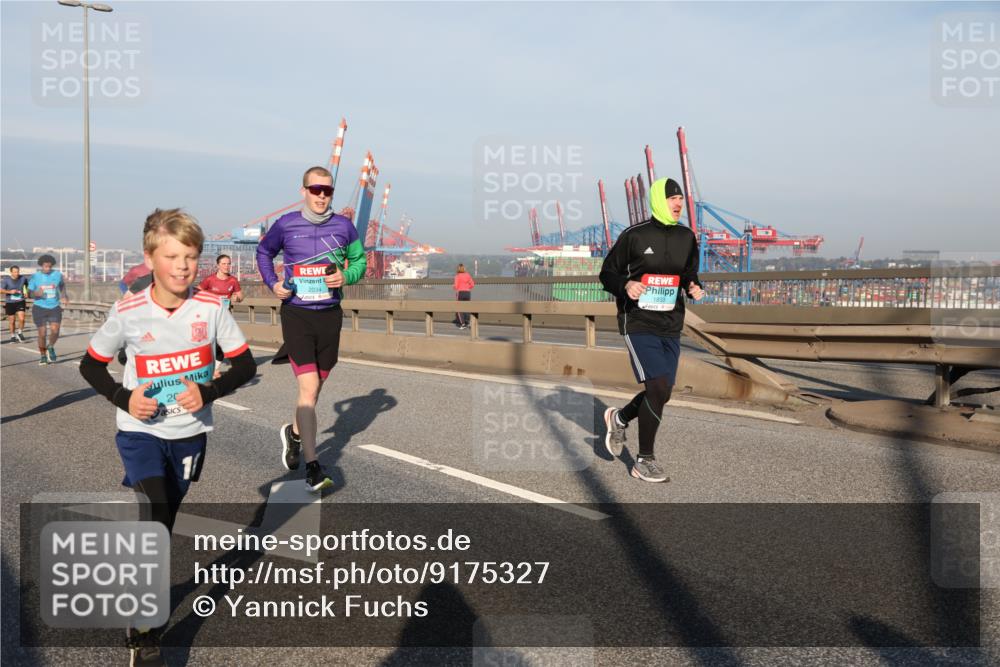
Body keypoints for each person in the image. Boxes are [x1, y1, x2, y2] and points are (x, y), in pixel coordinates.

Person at [79, 208, 256, 664]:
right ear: (150, 258)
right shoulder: (129, 311)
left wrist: (211, 390)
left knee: (165, 521)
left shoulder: (212, 309)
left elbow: (246, 365)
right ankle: (145, 628)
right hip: (140, 432)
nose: (183, 266)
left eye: (191, 257)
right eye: (173, 256)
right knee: (155, 512)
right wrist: (124, 399)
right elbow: (90, 365)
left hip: (189, 435)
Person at [257, 166, 366, 492]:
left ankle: (293, 432)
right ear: (304, 190)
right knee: (307, 389)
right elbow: (264, 252)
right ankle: (313, 467)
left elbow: (359, 261)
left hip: (330, 316)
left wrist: (346, 277)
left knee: (315, 390)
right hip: (298, 315)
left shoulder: (344, 226)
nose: (321, 195)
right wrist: (273, 283)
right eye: (315, 189)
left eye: (327, 190)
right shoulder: (286, 224)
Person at [598, 177, 705, 483]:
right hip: (638, 321)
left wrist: (694, 286)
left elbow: (689, 273)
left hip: (671, 323)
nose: (678, 204)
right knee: (657, 386)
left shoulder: (687, 237)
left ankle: (618, 418)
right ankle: (644, 460)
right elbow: (606, 274)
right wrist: (626, 284)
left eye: (681, 200)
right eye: (673, 199)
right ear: (658, 199)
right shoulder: (634, 235)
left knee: (662, 393)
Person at [27, 254, 68, 365]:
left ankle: (50, 347)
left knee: (55, 330)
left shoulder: (57, 275)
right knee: (42, 333)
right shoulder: (35, 276)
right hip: (39, 307)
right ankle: (43, 356)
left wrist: (64, 296)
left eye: (49, 266)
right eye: (45, 266)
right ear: (41, 265)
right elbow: (28, 293)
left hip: (54, 307)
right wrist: (36, 293)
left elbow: (62, 286)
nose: (48, 269)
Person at [2, 265, 29, 343]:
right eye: (15, 272)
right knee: (12, 321)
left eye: (17, 272)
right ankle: (13, 336)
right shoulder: (6, 280)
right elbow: (1, 290)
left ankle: (20, 332)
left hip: (20, 300)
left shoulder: (23, 278)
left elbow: (26, 285)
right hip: (10, 302)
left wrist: (26, 292)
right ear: (11, 272)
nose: (16, 273)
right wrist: (10, 292)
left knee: (22, 318)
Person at [453, 263, 475, 329]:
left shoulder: (457, 276)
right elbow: (472, 284)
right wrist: (467, 287)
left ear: (458, 269)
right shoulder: (468, 275)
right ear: (464, 268)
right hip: (467, 293)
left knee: (459, 308)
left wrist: (454, 287)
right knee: (467, 308)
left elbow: (456, 286)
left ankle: (462, 324)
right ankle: (467, 322)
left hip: (461, 293)